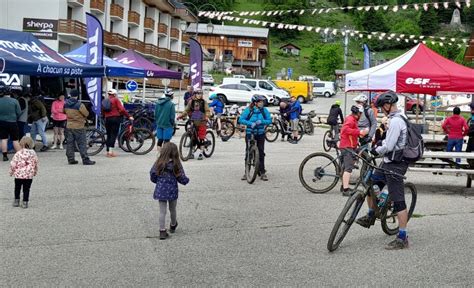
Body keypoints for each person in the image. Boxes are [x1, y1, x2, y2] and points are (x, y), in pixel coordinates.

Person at [359, 90, 410, 250]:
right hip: (388, 161)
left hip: (396, 163)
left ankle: (402, 237)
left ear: (388, 105)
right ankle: (371, 214)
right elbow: (387, 142)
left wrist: (374, 151)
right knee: (371, 185)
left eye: (382, 107)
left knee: (398, 201)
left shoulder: (396, 121)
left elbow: (389, 145)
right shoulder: (397, 118)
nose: (381, 109)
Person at [150, 142, 189, 240]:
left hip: (161, 190)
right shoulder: (176, 164)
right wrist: (186, 181)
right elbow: (181, 176)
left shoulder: (159, 162)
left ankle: (162, 231)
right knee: (172, 209)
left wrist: (157, 182)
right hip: (172, 190)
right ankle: (173, 224)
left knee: (162, 211)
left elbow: (152, 173)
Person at [239, 95, 272, 181]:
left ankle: (262, 172)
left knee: (261, 152)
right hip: (250, 133)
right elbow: (241, 119)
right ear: (255, 103)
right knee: (248, 152)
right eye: (260, 102)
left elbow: (269, 120)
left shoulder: (264, 110)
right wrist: (250, 123)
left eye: (262, 102)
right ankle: (247, 172)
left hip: (260, 133)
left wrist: (262, 121)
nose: (262, 103)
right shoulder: (249, 110)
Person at [339, 105, 368, 197]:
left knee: (346, 167)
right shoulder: (351, 119)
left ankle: (344, 185)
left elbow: (352, 132)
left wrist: (359, 134)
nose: (361, 115)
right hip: (347, 146)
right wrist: (359, 132)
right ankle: (345, 190)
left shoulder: (353, 119)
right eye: (361, 113)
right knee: (348, 168)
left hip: (350, 145)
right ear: (358, 113)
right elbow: (345, 129)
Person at [64, 89, 95, 165]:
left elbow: (63, 111)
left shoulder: (66, 104)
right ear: (77, 95)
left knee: (70, 143)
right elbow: (86, 114)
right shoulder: (79, 104)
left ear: (70, 95)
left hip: (69, 125)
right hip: (79, 126)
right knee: (82, 143)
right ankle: (85, 159)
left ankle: (71, 159)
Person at [179, 89, 210, 160]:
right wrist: (181, 116)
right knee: (193, 137)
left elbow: (207, 111)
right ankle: (192, 153)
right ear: (195, 94)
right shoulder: (191, 102)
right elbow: (186, 110)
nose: (200, 95)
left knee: (201, 138)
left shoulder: (204, 102)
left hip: (202, 122)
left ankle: (200, 153)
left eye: (201, 94)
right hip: (193, 122)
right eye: (198, 93)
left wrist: (207, 116)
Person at [103, 89, 134, 157]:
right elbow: (122, 109)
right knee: (113, 135)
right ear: (114, 94)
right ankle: (111, 152)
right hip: (115, 118)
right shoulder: (115, 99)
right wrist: (128, 116)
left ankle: (108, 151)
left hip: (107, 119)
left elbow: (103, 110)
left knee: (109, 135)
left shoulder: (105, 100)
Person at [9, 136, 38, 209]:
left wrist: (11, 171)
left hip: (19, 174)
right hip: (29, 175)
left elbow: (13, 163)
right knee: (26, 189)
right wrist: (35, 171)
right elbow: (35, 162)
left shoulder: (18, 153)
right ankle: (25, 202)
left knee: (17, 188)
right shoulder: (33, 153)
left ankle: (16, 200)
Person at [0, 82, 21, 161]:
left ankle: (5, 156)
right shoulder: (15, 101)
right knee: (15, 140)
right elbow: (18, 112)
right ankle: (19, 156)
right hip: (12, 122)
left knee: (4, 139)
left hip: (1, 122)